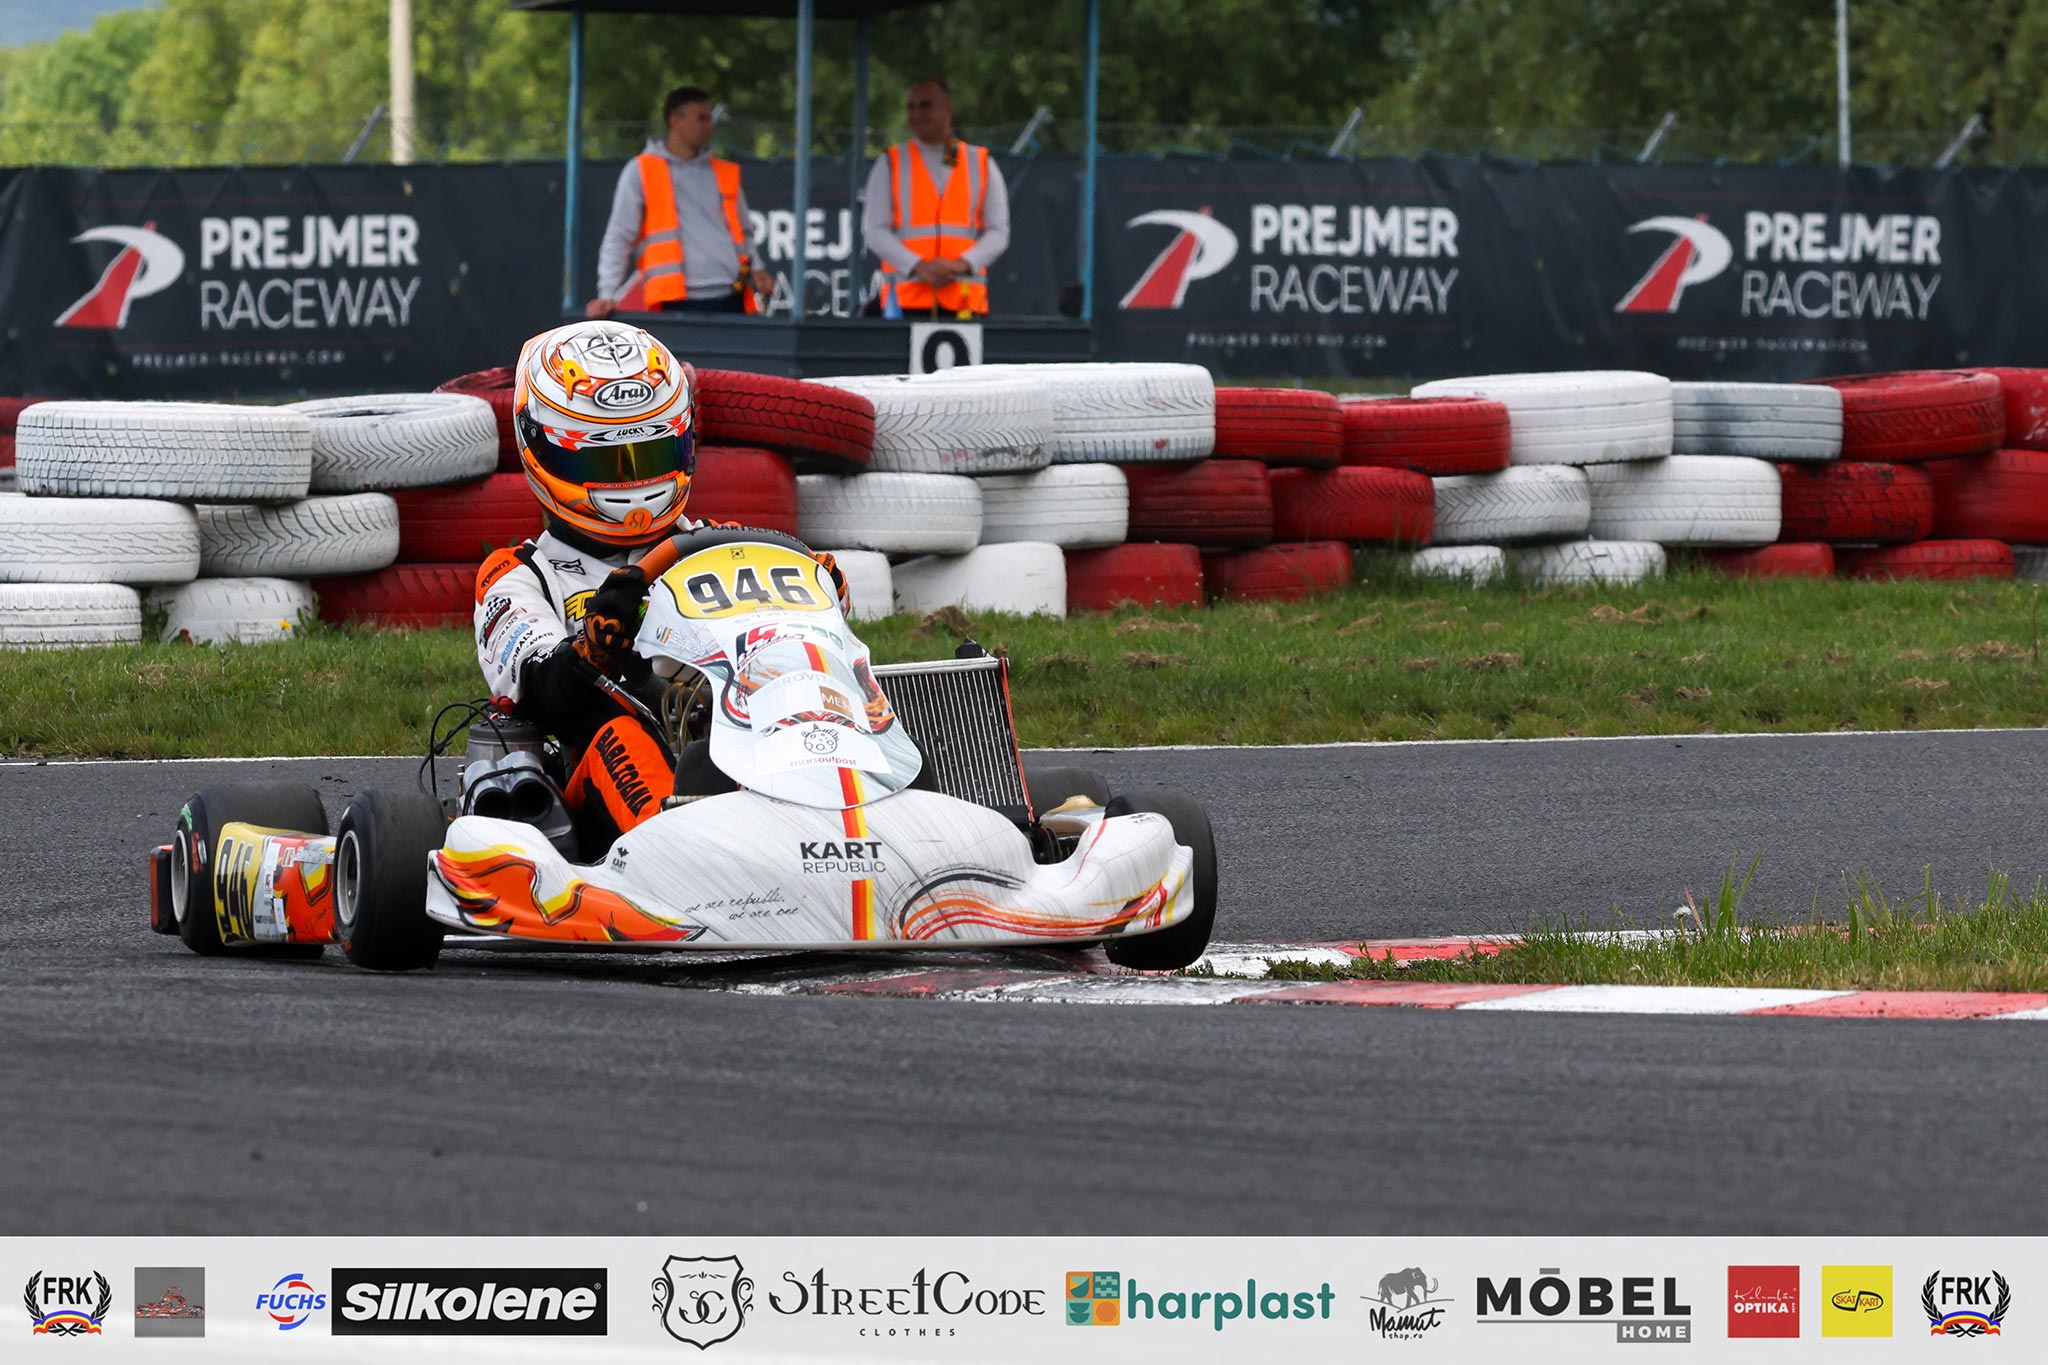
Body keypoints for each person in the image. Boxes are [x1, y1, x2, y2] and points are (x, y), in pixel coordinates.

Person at [474, 319, 847, 852]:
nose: (634, 482)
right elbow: (541, 689)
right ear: (545, 451)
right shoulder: (520, 574)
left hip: (757, 746)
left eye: (650, 457)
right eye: (605, 461)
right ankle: (688, 852)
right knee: (621, 737)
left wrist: (821, 591)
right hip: (606, 784)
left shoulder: (727, 548)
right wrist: (593, 650)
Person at [589, 85, 771, 317]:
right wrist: (607, 293)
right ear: (675, 120)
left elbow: (744, 232)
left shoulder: (724, 172)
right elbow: (619, 236)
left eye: (709, 118)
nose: (709, 126)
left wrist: (758, 268)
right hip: (674, 301)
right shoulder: (642, 170)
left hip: (732, 295)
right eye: (701, 118)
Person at [861, 78, 1010, 317]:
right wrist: (918, 266)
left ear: (948, 109)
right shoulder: (890, 162)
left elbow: (998, 232)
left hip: (963, 300)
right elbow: (876, 231)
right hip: (904, 301)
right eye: (911, 107)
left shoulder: (980, 162)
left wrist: (962, 264)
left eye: (926, 106)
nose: (916, 114)